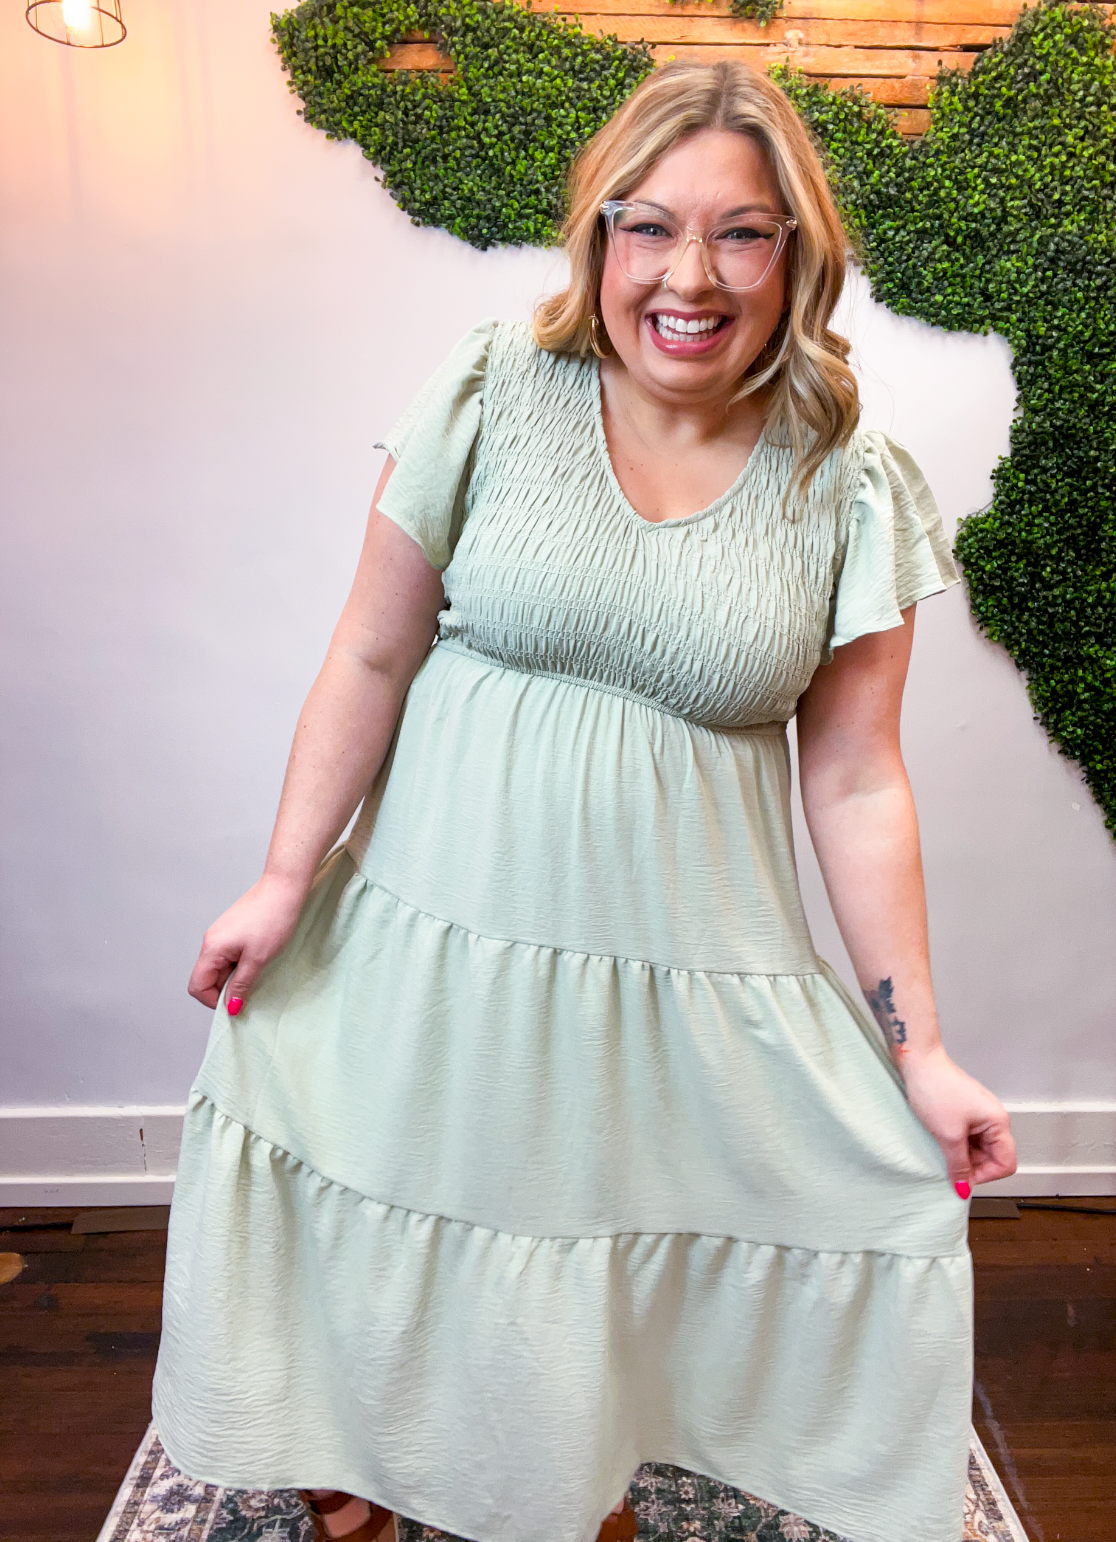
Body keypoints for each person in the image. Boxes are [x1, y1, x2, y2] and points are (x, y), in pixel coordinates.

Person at [152, 58, 1017, 1542]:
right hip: (429, 934)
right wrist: (284, 876)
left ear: (797, 254)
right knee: (374, 1193)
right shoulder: (498, 385)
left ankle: (566, 1488)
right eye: (650, 226)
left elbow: (858, 775)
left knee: (599, 1265)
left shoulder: (848, 479)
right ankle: (358, 1472)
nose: (691, 276)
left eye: (741, 233)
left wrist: (919, 1049)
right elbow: (371, 649)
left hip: (667, 985)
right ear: (599, 237)